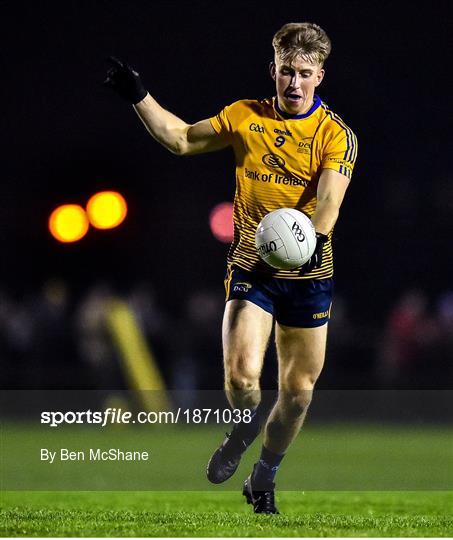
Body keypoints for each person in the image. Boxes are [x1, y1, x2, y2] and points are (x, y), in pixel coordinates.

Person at [104, 21, 358, 514]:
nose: (294, 83)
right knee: (243, 381)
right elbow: (180, 140)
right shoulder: (245, 117)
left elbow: (327, 207)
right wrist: (139, 94)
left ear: (320, 76)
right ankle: (242, 430)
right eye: (286, 71)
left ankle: (263, 476)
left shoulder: (336, 135)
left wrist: (294, 242)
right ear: (273, 70)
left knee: (298, 394)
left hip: (308, 278)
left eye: (304, 73)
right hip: (252, 271)